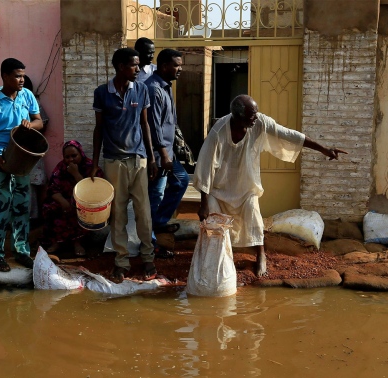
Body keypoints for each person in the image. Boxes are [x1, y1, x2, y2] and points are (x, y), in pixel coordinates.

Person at [193, 94, 348, 277]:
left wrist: (324, 149)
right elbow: (205, 166)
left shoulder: (260, 123)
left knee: (254, 217)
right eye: (252, 115)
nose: (256, 118)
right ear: (238, 117)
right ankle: (218, 260)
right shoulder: (218, 132)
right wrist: (203, 203)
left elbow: (290, 135)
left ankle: (261, 255)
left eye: (256, 114)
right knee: (215, 221)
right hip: (219, 190)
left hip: (246, 187)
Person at [92, 47, 157, 283]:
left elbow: (145, 125)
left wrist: (151, 159)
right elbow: (99, 129)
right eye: (134, 65)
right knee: (118, 213)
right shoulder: (102, 93)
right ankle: (121, 261)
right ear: (121, 67)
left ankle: (147, 258)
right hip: (113, 161)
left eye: (139, 65)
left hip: (138, 160)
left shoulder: (141, 89)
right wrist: (94, 163)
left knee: (144, 212)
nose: (138, 69)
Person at [0, 58, 43, 272]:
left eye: (23, 75)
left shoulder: (27, 96)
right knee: (1, 206)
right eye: (17, 75)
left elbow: (39, 122)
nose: (21, 79)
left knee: (22, 205)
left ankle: (21, 251)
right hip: (1, 160)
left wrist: (29, 124)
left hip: (22, 159)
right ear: (5, 77)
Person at [145, 48, 189, 258]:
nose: (180, 69)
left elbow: (170, 122)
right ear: (163, 66)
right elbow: (153, 127)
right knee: (155, 195)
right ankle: (152, 244)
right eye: (176, 65)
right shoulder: (153, 89)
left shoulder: (166, 87)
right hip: (157, 154)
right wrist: (163, 155)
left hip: (168, 152)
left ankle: (159, 223)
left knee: (181, 181)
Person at [41, 140, 103, 256]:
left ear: (81, 153)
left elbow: (92, 192)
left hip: (84, 201)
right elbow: (53, 188)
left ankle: (77, 243)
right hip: (64, 200)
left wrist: (76, 174)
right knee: (49, 207)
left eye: (74, 156)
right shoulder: (61, 167)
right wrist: (63, 201)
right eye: (67, 157)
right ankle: (56, 241)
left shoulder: (91, 167)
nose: (71, 160)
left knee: (81, 209)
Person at [23, 75, 49, 221]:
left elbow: (43, 123)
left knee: (30, 185)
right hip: (14, 150)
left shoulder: (34, 103)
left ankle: (32, 218)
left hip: (31, 149)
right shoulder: (6, 103)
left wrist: (28, 129)